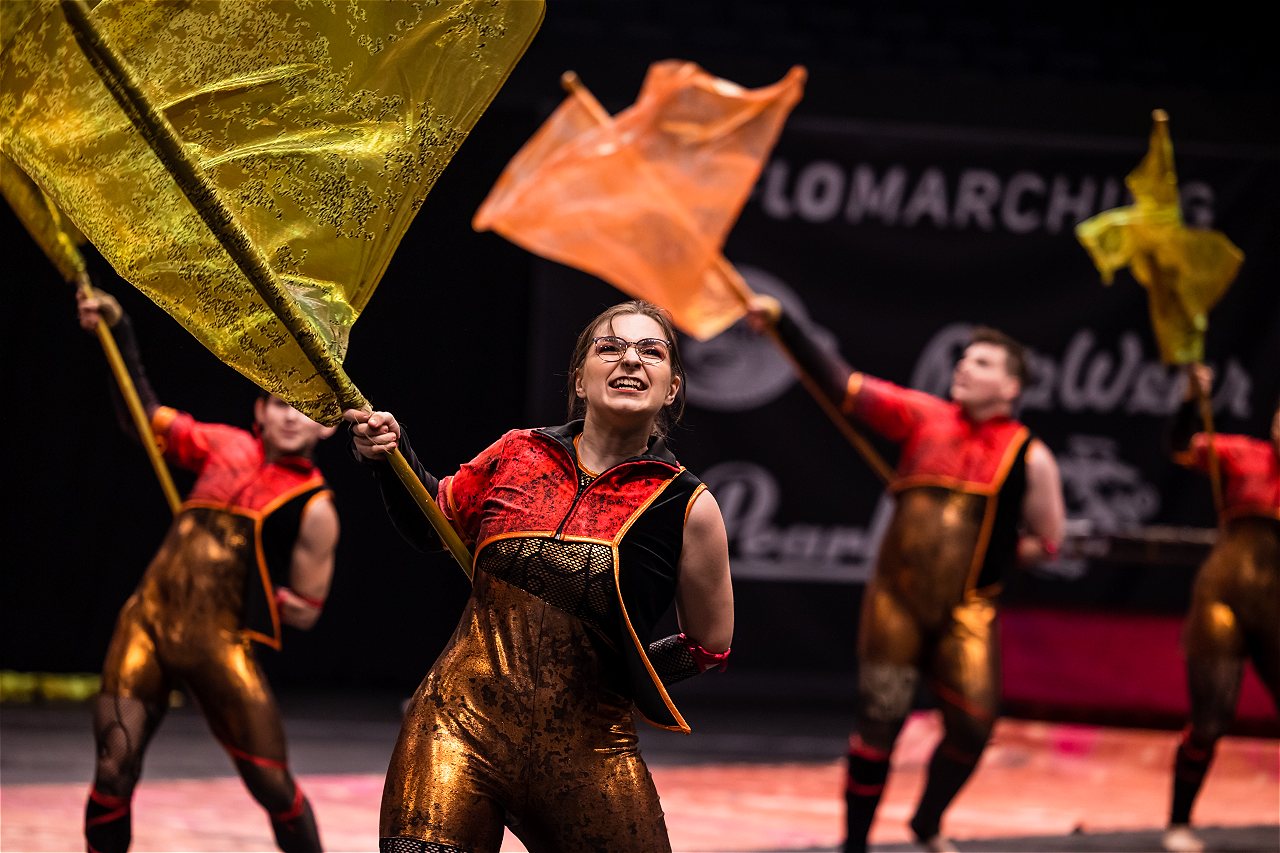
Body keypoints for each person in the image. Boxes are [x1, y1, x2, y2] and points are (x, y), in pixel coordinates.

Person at [346, 299, 733, 853]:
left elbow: (708, 645)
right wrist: (392, 457)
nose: (630, 360)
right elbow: (435, 521)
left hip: (590, 751)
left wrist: (626, 676)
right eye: (610, 348)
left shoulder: (688, 505)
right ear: (579, 379)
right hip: (456, 726)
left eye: (651, 351)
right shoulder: (518, 452)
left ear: (672, 388)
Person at [747, 295, 1065, 853]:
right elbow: (844, 387)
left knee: (973, 728)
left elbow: (1049, 541)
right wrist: (786, 323)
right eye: (963, 358)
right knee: (879, 722)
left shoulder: (1030, 456)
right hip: (896, 602)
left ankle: (927, 822)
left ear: (1011, 387)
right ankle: (855, 844)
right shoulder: (924, 417)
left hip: (968, 611)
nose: (964, 367)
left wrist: (1001, 551)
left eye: (982, 362)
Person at [77, 289, 340, 853]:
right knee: (113, 766)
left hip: (220, 647)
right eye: (279, 402)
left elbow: (305, 612)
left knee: (273, 784)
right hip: (147, 623)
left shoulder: (315, 507)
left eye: (304, 407)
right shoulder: (223, 447)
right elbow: (142, 416)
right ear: (260, 412)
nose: (289, 415)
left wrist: (261, 595)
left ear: (327, 426)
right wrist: (119, 330)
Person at [1161, 366, 1279, 853]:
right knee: (1209, 721)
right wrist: (1192, 400)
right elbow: (1179, 447)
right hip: (1223, 599)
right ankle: (1178, 823)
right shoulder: (1242, 454)